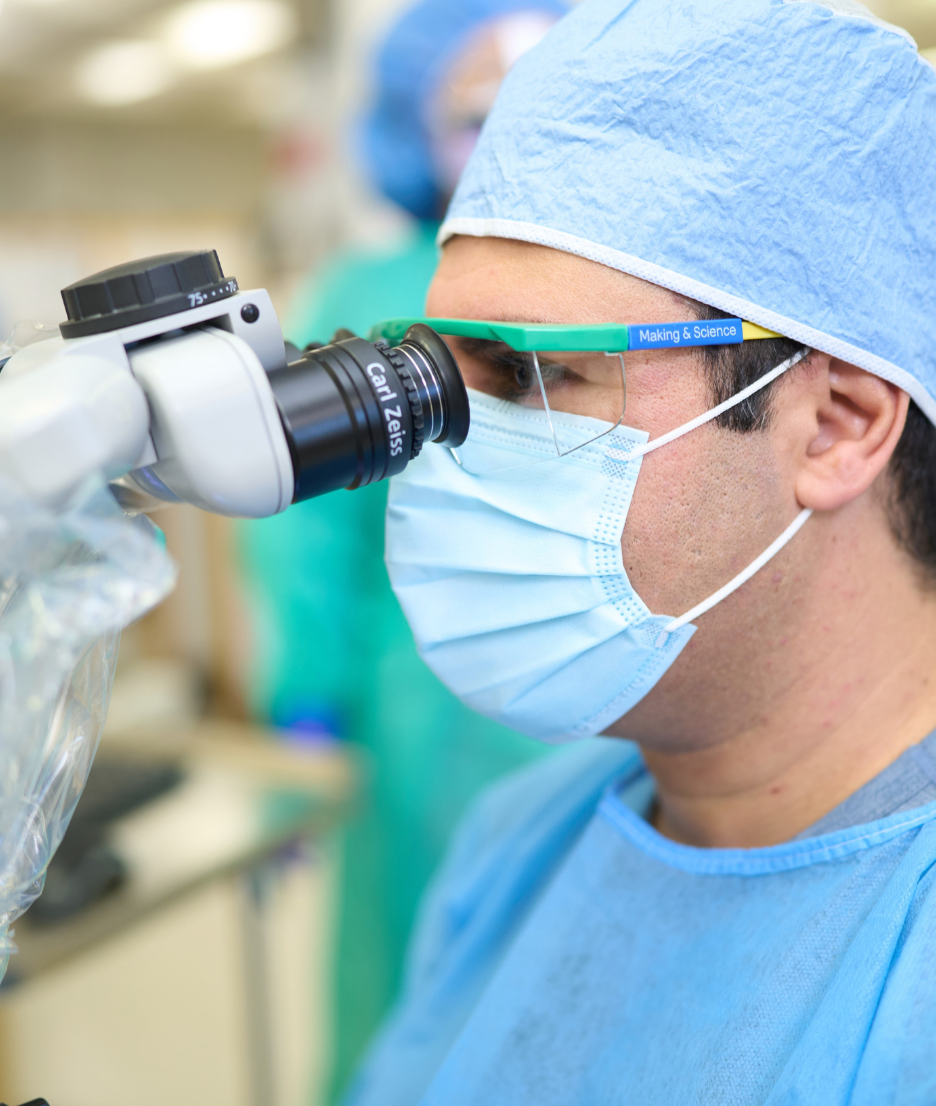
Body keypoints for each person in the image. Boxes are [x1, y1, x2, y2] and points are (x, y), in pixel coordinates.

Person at [342, 1, 936, 1103]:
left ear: (836, 424)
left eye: (538, 375)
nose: (457, 450)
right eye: (449, 377)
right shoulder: (517, 847)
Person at [238, 0, 564, 1097]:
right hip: (420, 732)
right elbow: (307, 542)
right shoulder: (366, 302)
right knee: (417, 1004)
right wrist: (307, 714)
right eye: (474, 113)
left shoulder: (617, 300)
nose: (502, 140)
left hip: (612, 721)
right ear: (415, 129)